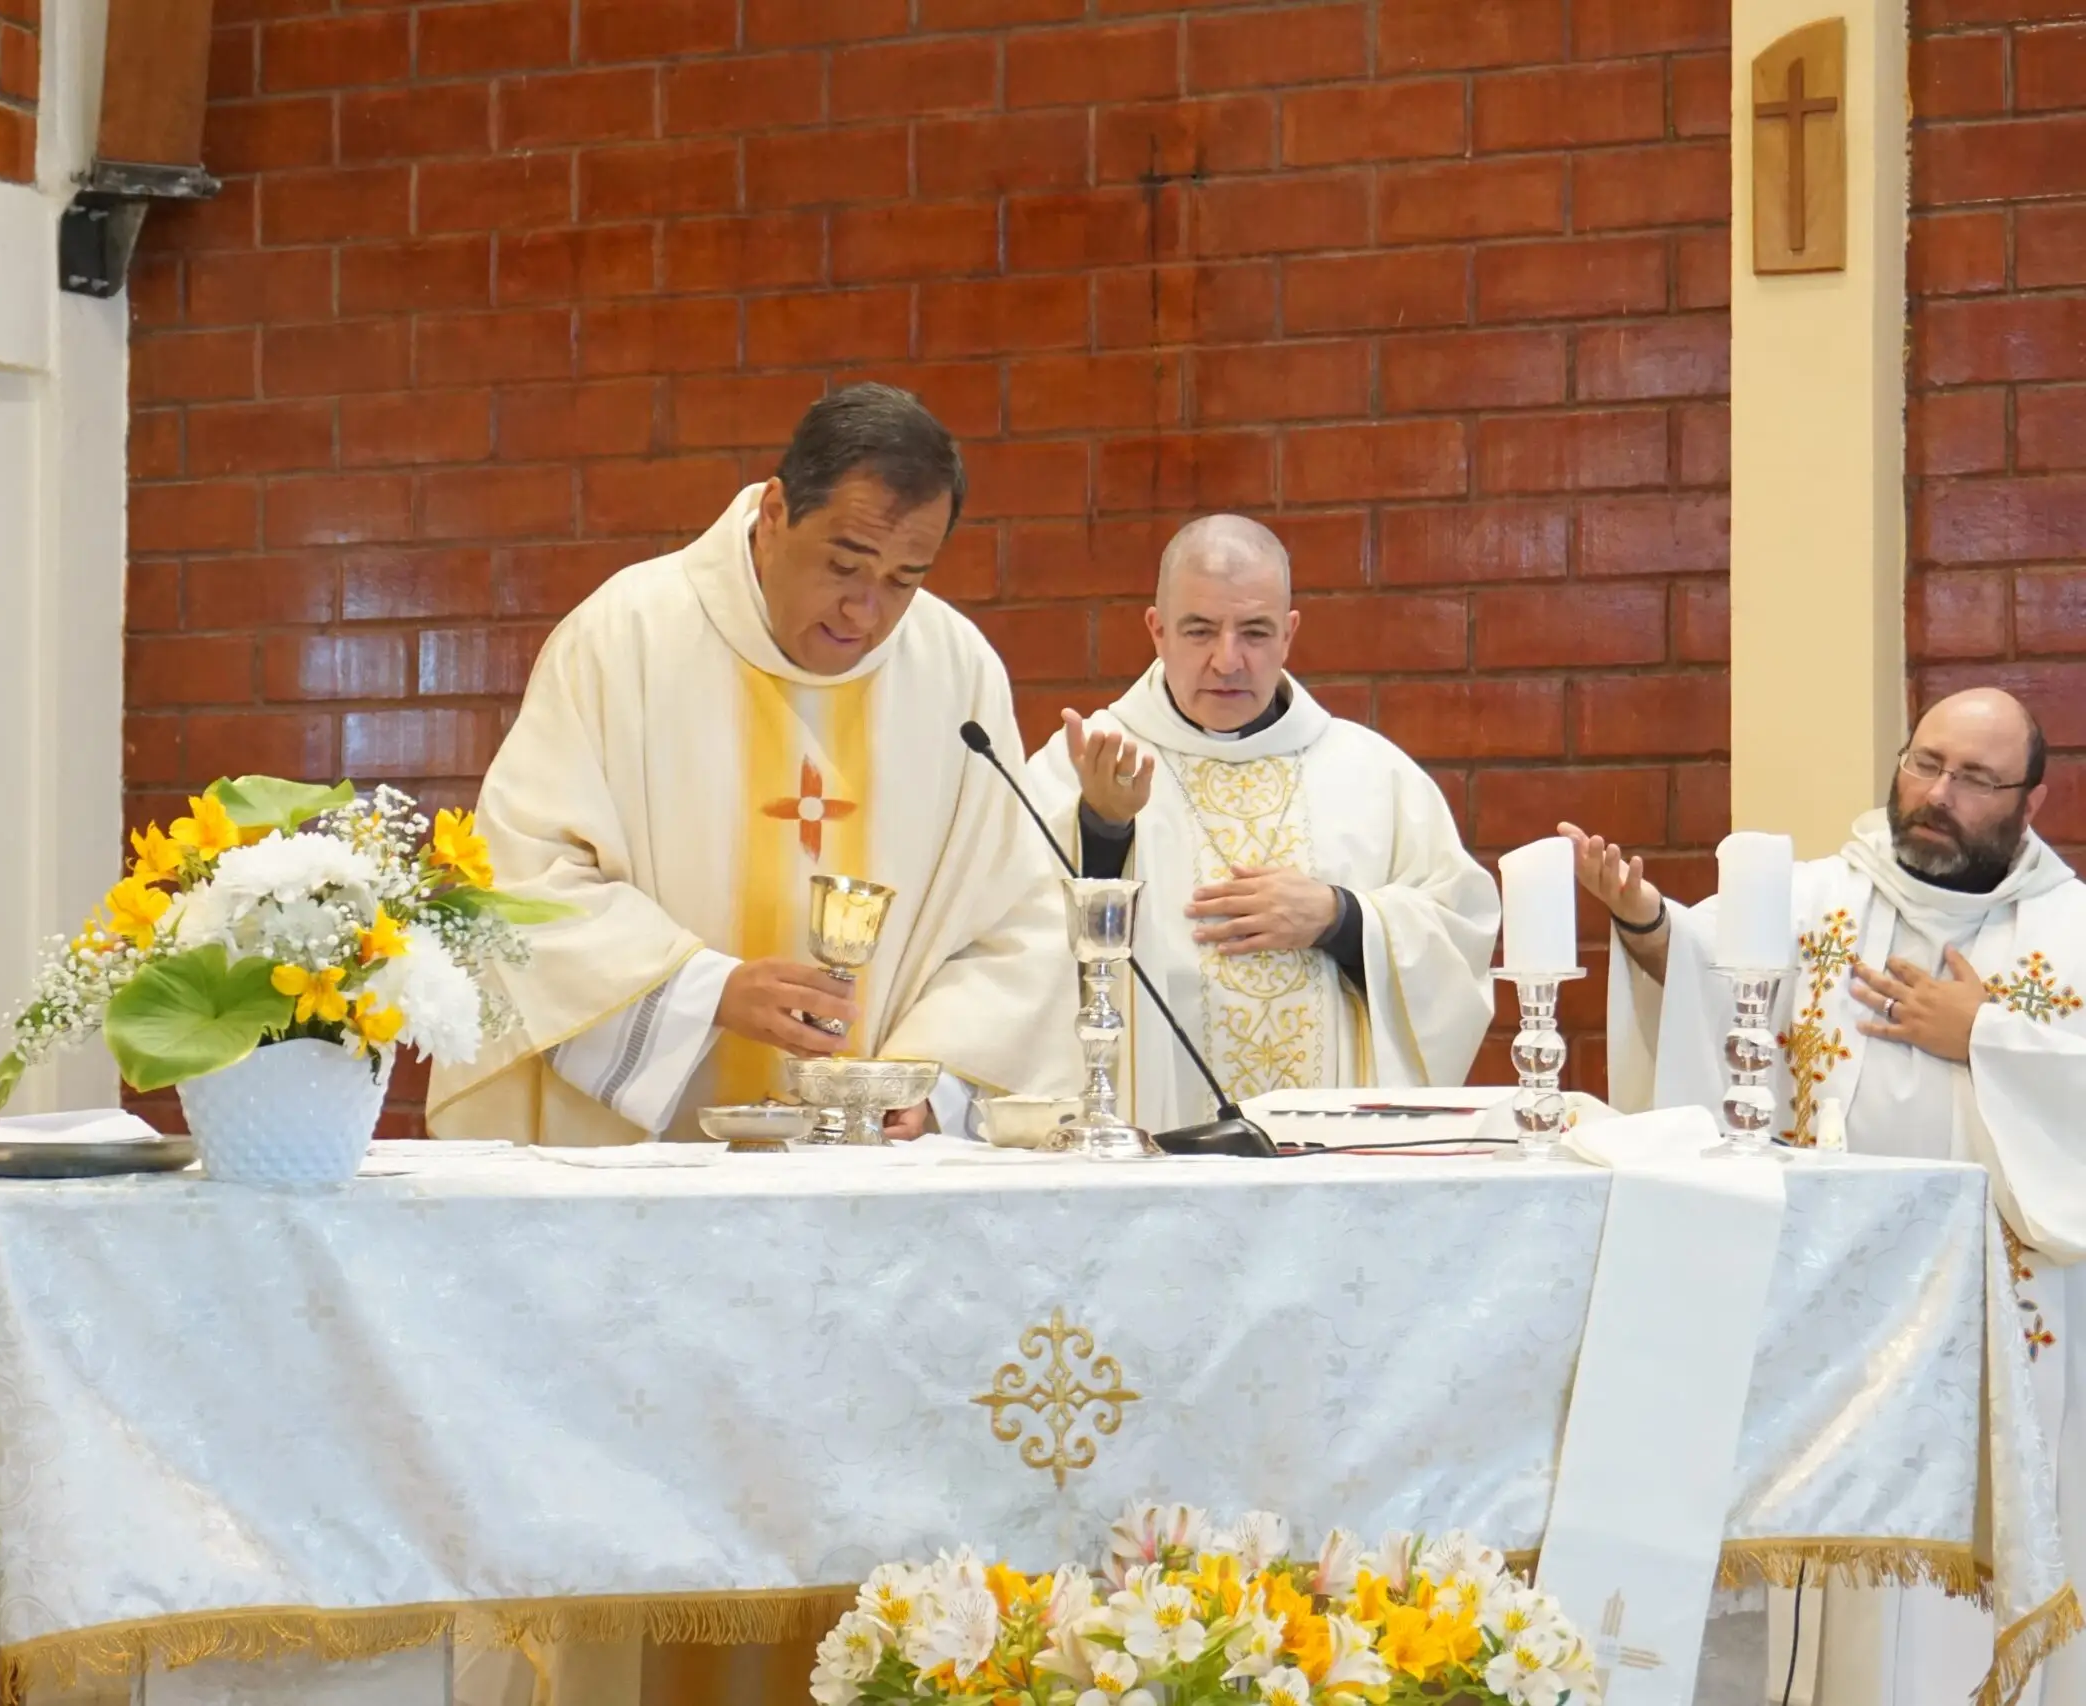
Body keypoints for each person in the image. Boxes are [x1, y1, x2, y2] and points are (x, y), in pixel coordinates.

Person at [1568, 686, 2085, 1704]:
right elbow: (1707, 985)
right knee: (1849, 1610)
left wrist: (1982, 1036)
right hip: (1845, 1311)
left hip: (2014, 1316)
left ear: (2032, 798)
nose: (1937, 794)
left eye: (1975, 778)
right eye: (1924, 763)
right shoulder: (1812, 898)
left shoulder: (2072, 929)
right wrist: (1643, 921)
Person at [426, 382, 1076, 1155]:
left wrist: (925, 1082)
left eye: (904, 580)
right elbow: (526, 880)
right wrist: (705, 993)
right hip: (648, 1170)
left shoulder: (956, 672)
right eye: (844, 564)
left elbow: (1010, 923)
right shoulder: (626, 638)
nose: (865, 611)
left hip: (875, 1172)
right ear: (774, 513)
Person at [1021, 514, 1498, 1128]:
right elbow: (1014, 940)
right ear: (1157, 630)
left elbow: (1458, 936)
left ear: (1289, 634)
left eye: (1254, 632)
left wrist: (1341, 917)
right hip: (1149, 1144)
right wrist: (1102, 828)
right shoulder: (1086, 761)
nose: (1228, 661)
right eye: (1199, 631)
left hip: (1325, 1156)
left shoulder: (1373, 772)